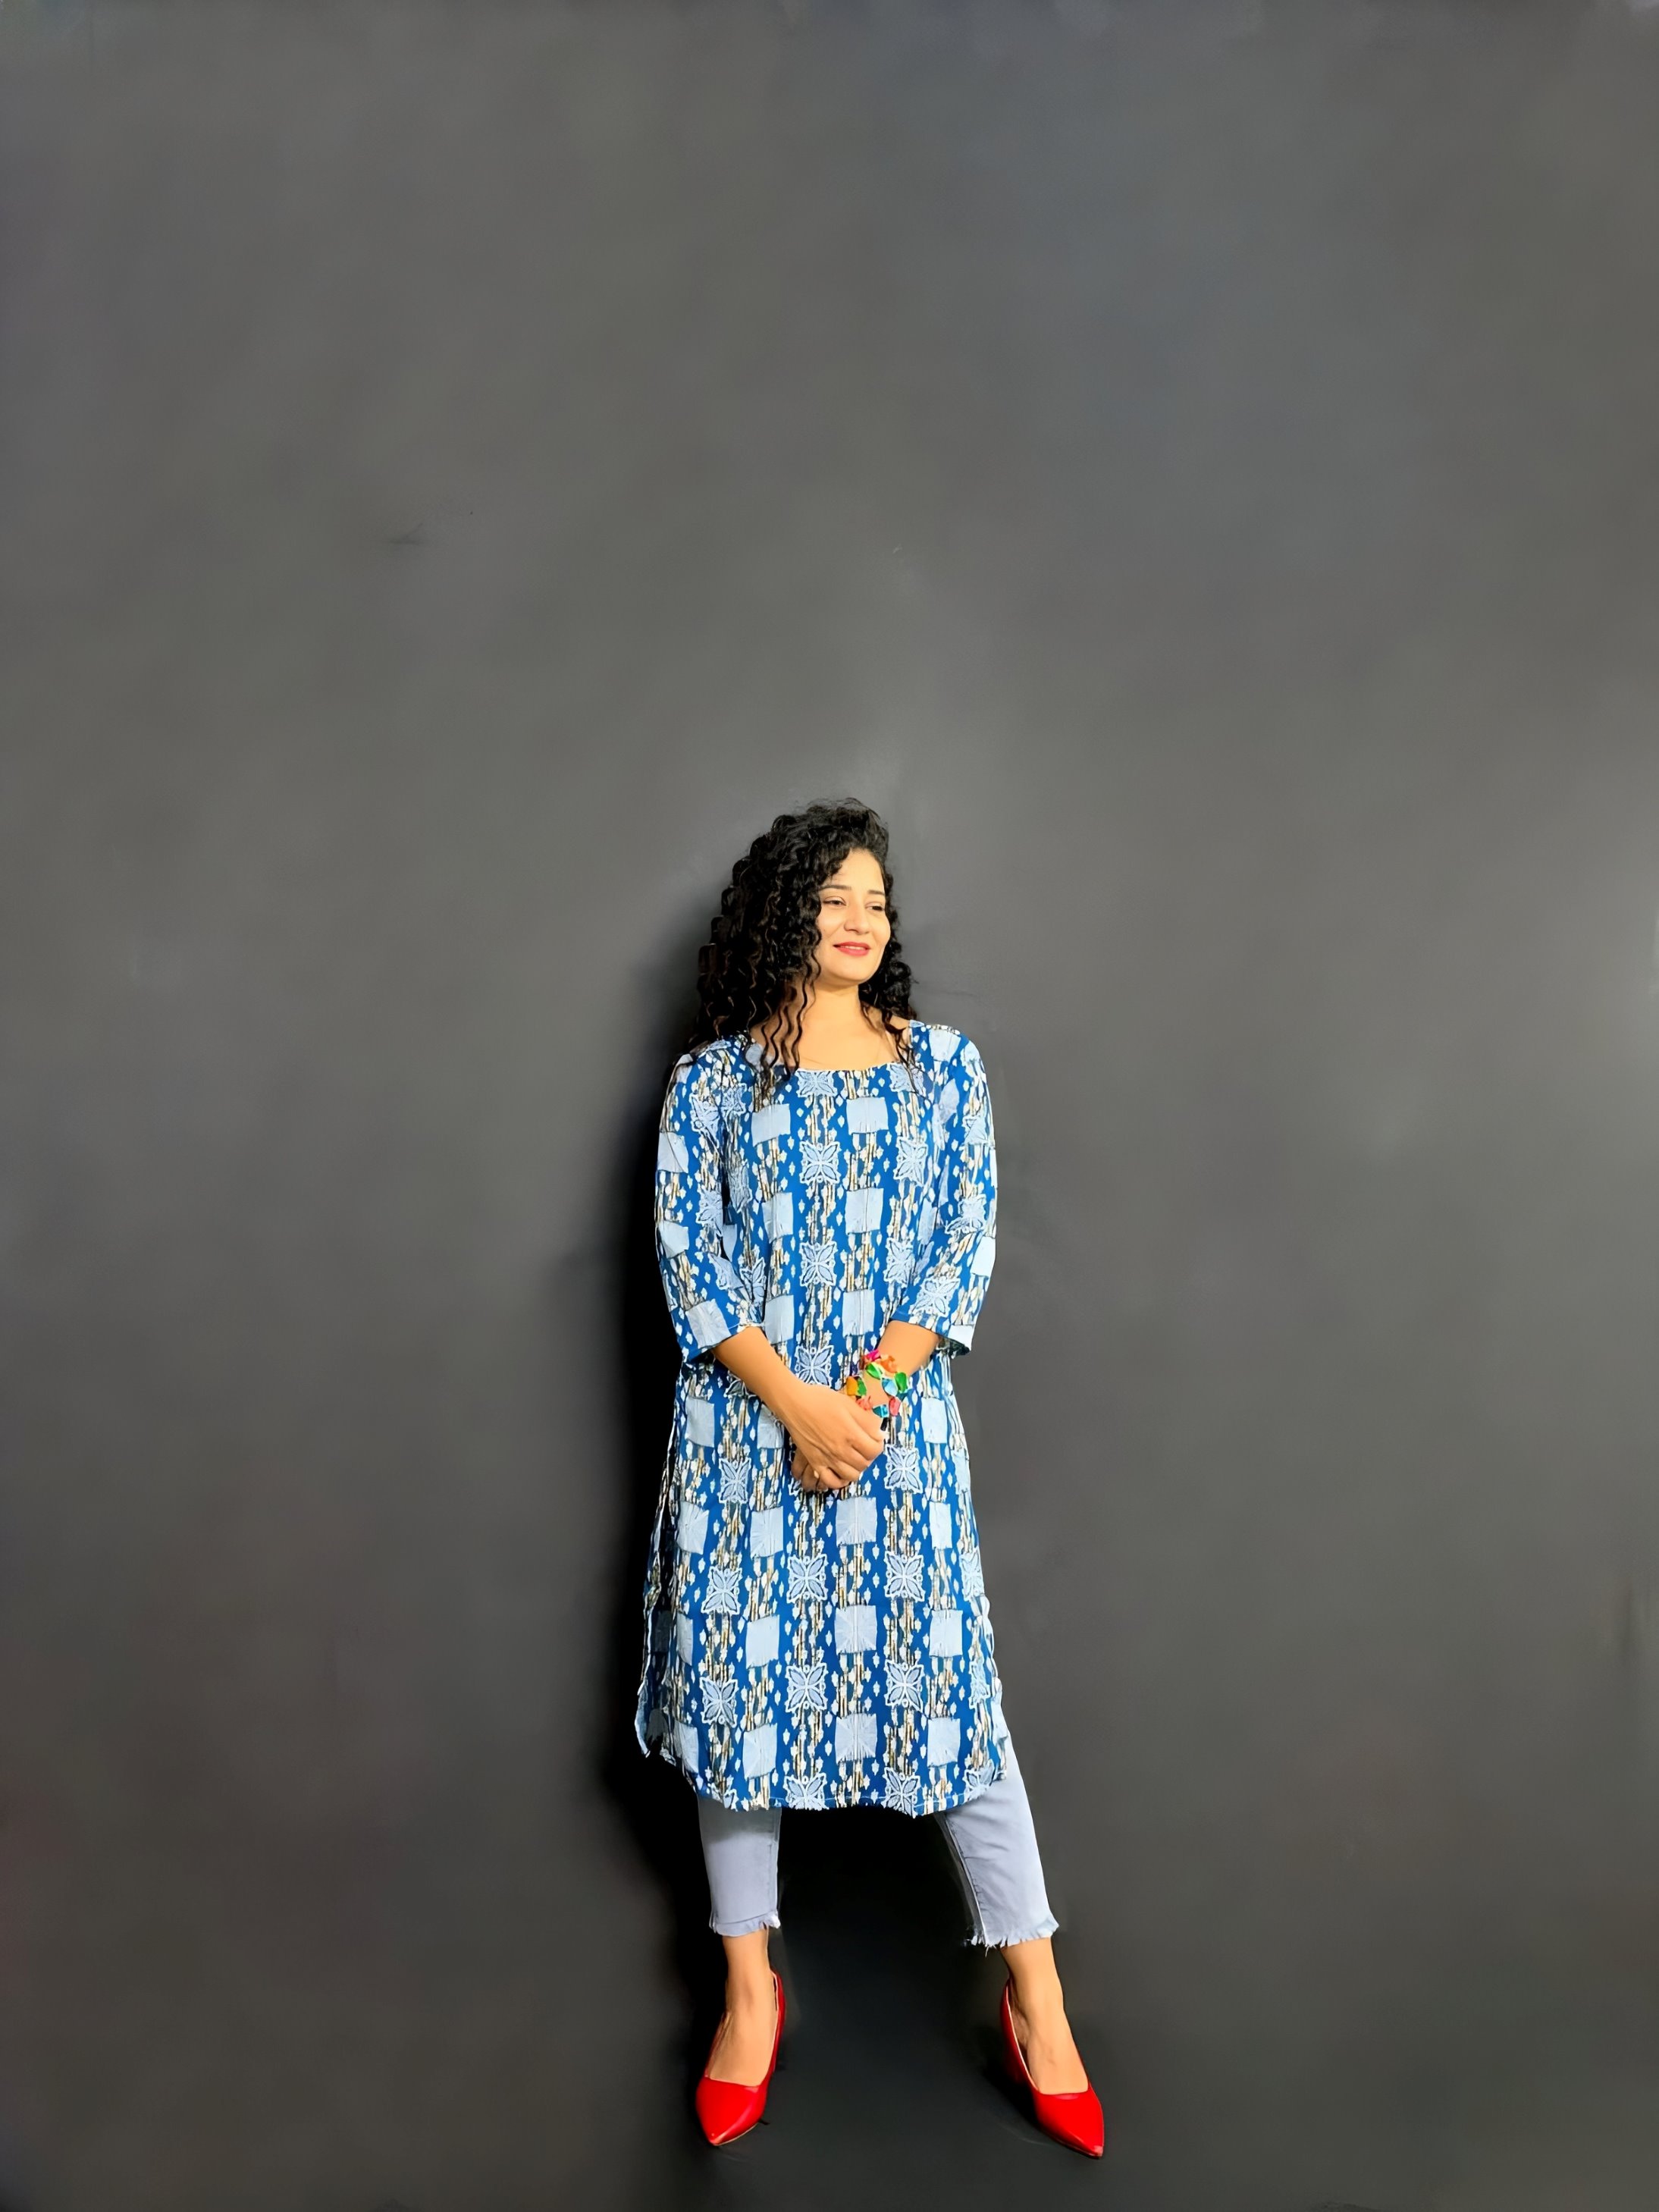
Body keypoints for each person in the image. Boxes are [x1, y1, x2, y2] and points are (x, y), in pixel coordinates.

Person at [634, 800, 1103, 2157]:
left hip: (893, 1444)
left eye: (876, 900)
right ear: (783, 911)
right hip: (745, 1442)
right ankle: (748, 1990)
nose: (860, 918)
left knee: (952, 1702)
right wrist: (796, 1405)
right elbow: (689, 1259)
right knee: (738, 1706)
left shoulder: (942, 1067)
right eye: (833, 895)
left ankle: (1040, 1998)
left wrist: (865, 1407)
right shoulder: (712, 1085)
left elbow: (963, 1242)